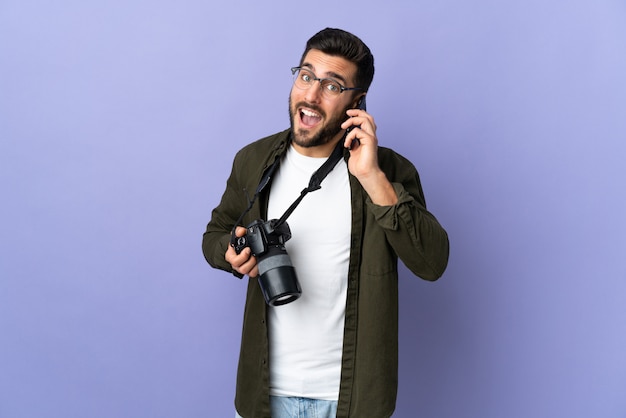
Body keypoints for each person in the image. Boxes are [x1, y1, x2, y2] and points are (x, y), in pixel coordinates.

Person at [202, 28, 449, 418]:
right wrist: (229, 252)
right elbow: (214, 234)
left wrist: (372, 178)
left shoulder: (390, 171)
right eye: (305, 76)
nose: (311, 95)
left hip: (353, 400)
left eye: (332, 86)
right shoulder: (253, 160)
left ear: (358, 102)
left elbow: (432, 263)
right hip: (263, 395)